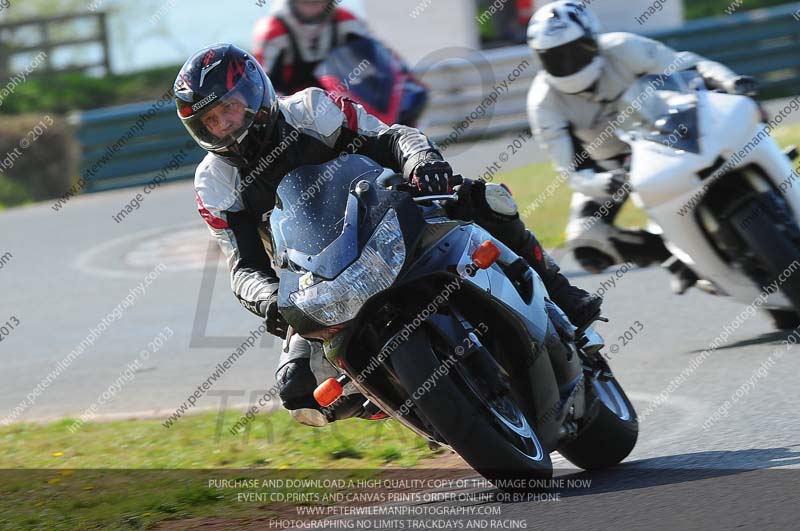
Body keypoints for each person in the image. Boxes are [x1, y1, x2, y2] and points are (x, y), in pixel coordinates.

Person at [175, 43, 601, 427]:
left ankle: (562, 295)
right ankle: (399, 398)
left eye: (228, 108)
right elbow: (243, 265)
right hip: (313, 277)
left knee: (488, 200)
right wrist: (267, 299)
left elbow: (391, 136)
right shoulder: (214, 182)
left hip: (390, 214)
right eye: (210, 121)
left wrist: (419, 162)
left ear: (254, 93)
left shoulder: (311, 110)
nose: (224, 125)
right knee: (297, 388)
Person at [526, 1, 757, 294]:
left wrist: (729, 80)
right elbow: (570, 170)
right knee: (585, 241)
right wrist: (604, 182)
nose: (567, 63)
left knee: (742, 120)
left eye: (575, 51)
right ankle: (676, 259)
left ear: (593, 39)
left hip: (668, 133)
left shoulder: (623, 47)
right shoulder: (542, 103)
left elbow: (688, 64)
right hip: (611, 167)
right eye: (555, 57)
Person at [252, 0, 372, 95]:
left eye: (320, 1)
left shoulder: (345, 19)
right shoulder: (273, 29)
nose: (313, 8)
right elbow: (264, 86)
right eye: (306, 2)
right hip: (291, 113)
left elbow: (373, 59)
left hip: (342, 102)